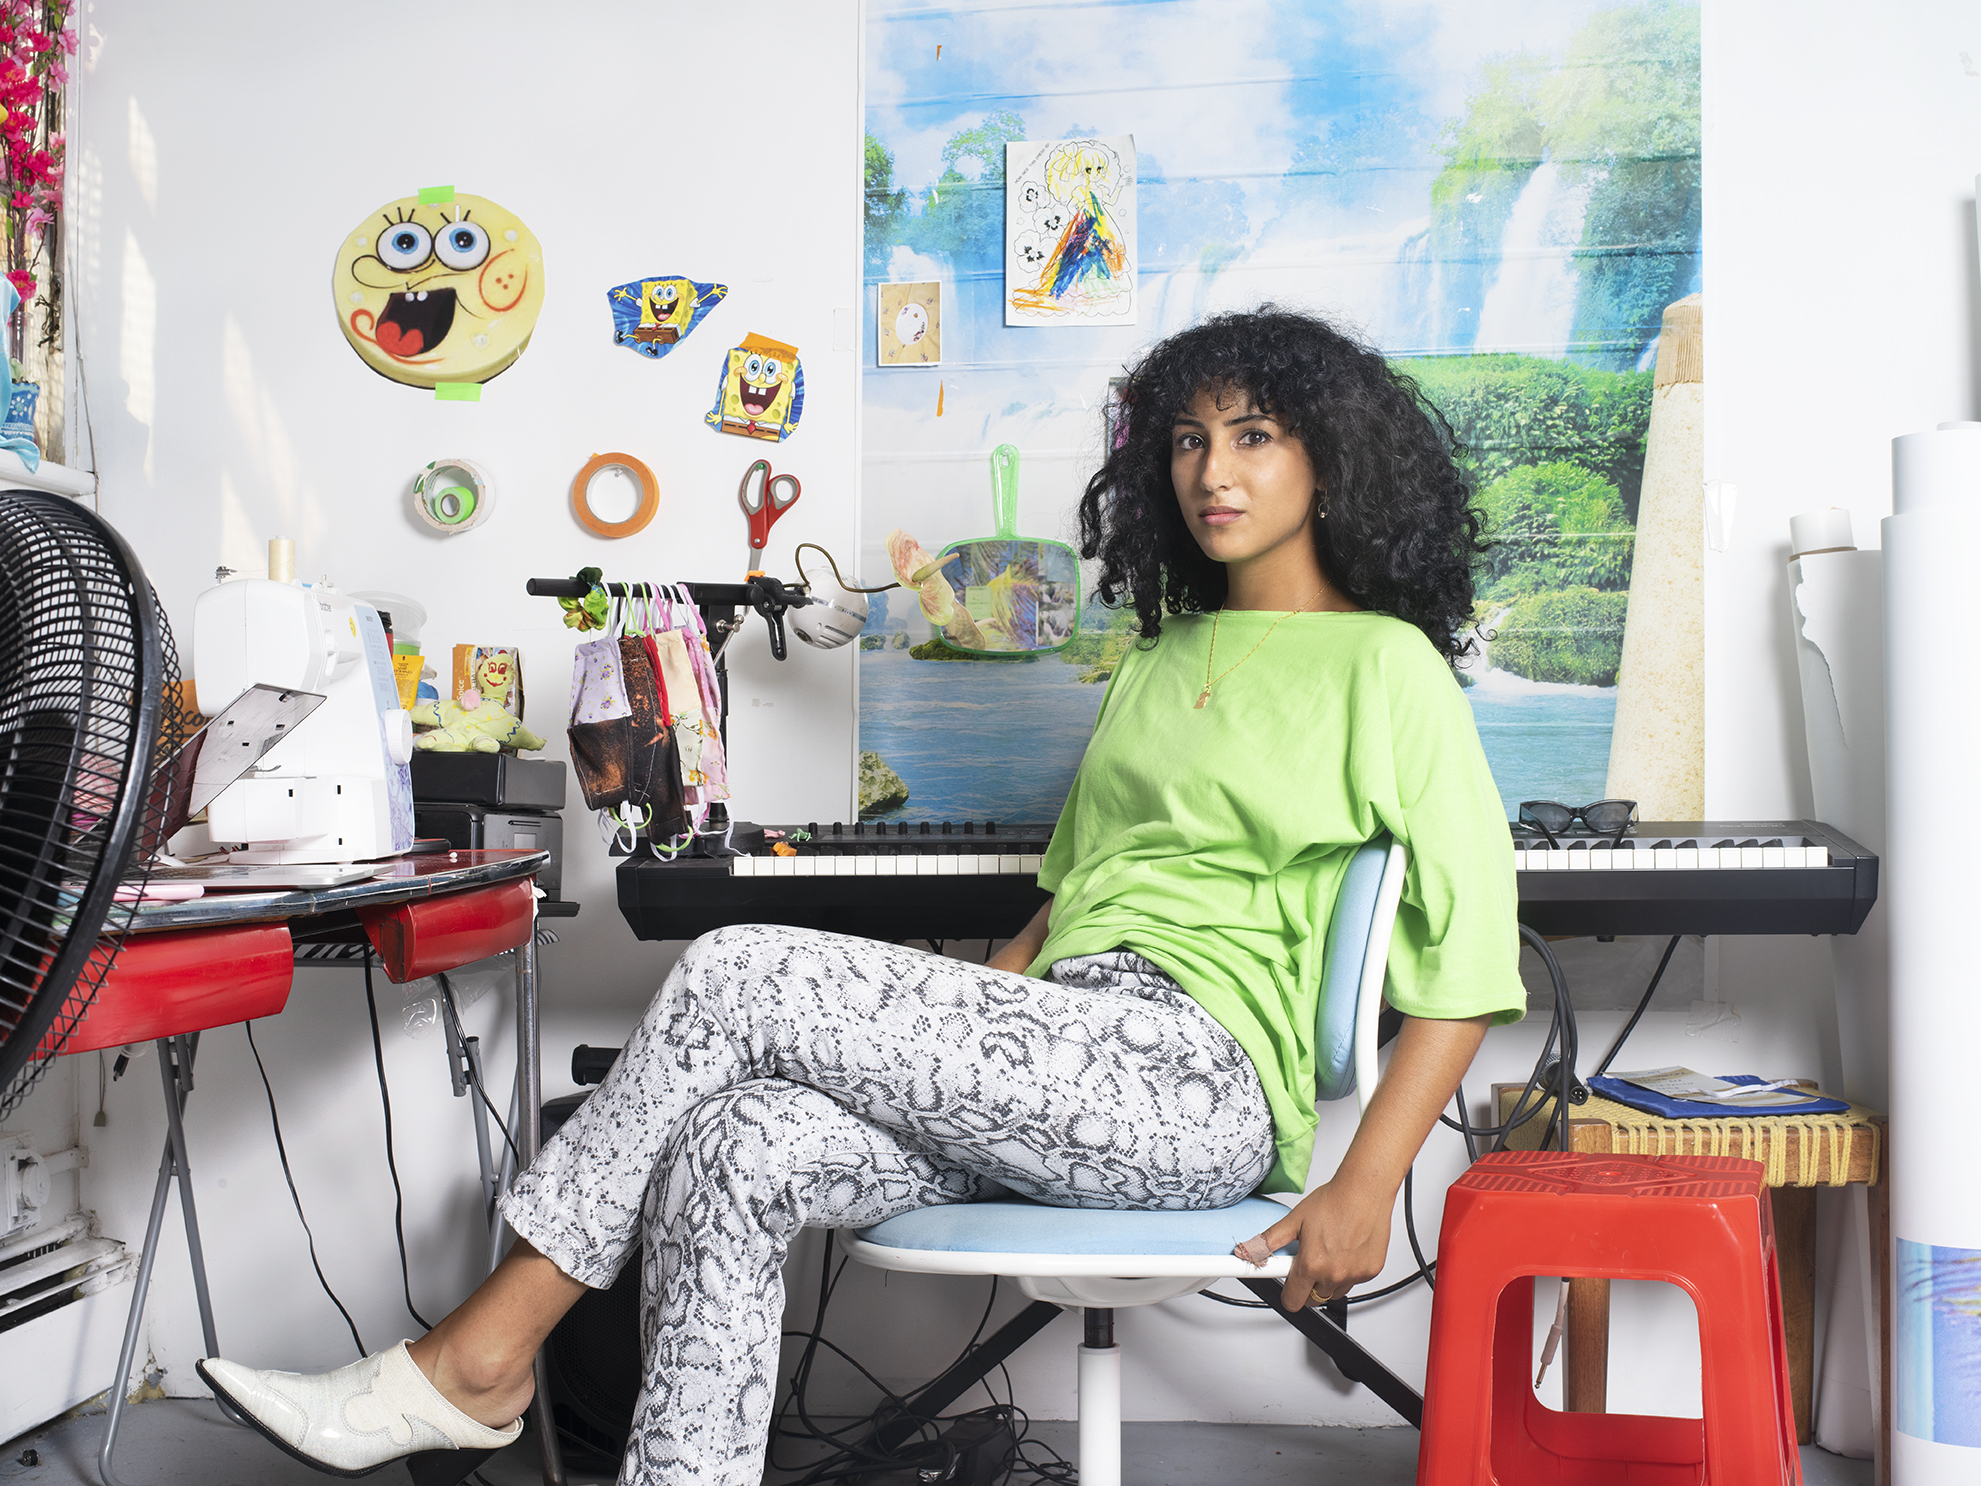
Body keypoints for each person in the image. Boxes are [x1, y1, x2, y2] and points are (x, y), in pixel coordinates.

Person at [198, 307, 1526, 1486]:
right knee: (740, 1147)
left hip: (1188, 1082)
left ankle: (478, 1355)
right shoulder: (1153, 661)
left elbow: (1466, 962)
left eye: (1252, 436)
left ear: (1328, 458)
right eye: (1185, 440)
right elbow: (1066, 911)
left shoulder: (1383, 667)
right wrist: (938, 1040)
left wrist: (1364, 1182)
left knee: (735, 966)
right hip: (1052, 1059)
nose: (1212, 471)